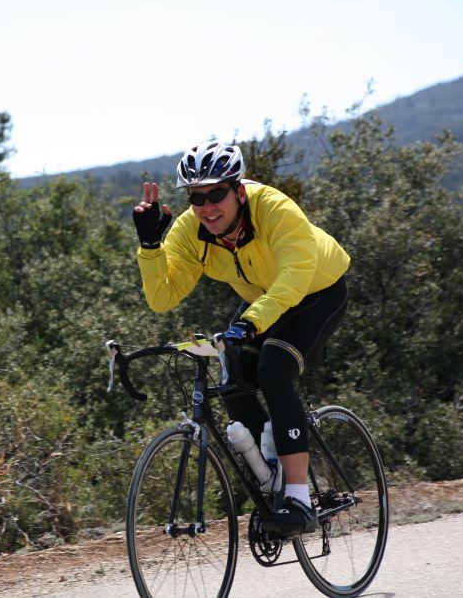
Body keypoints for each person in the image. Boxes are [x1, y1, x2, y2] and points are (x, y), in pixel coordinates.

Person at [132, 141, 350, 535]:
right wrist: (150, 246)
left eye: (217, 194)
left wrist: (251, 323)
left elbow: (295, 276)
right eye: (197, 198)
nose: (207, 207)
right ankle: (271, 475)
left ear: (239, 190)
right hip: (264, 303)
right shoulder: (191, 230)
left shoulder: (274, 209)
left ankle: (299, 499)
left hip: (317, 290)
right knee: (232, 376)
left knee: (274, 368)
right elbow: (162, 297)